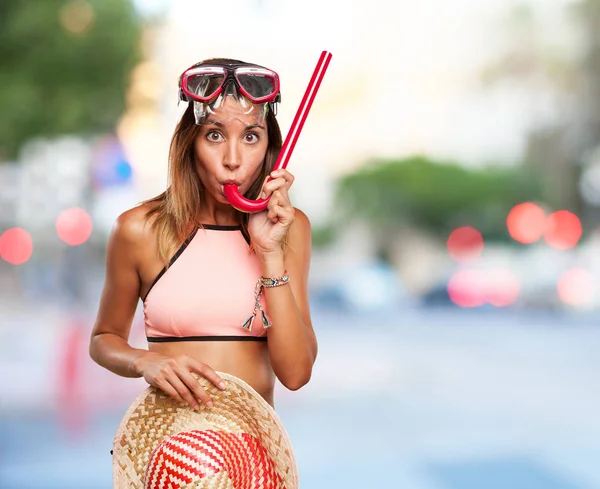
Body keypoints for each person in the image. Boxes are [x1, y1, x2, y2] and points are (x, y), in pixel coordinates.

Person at [89, 57, 317, 413]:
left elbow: (297, 373)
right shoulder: (138, 229)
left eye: (251, 137)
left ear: (269, 148)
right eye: (214, 135)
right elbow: (104, 339)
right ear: (190, 144)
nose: (232, 159)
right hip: (170, 454)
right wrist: (143, 361)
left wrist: (270, 253)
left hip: (253, 455)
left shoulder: (290, 227)